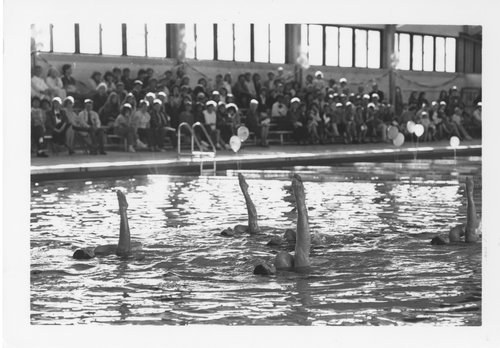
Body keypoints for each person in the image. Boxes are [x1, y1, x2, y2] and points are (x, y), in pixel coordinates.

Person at [253, 174, 311, 275]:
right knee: (298, 259)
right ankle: (300, 200)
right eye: (268, 265)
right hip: (302, 274)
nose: (269, 263)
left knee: (283, 260)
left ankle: (300, 202)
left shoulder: (279, 269)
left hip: (289, 273)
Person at [73, 190, 142, 259]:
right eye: (87, 250)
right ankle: (123, 211)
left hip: (122, 253)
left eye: (86, 249)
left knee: (122, 251)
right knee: (123, 252)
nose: (87, 248)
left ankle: (123, 211)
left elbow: (137, 245)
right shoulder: (98, 253)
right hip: (122, 255)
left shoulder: (97, 250)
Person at [431, 177, 481, 245]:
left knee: (456, 232)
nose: (444, 235)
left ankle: (470, 194)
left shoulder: (453, 235)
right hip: (470, 246)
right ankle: (470, 194)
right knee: (469, 233)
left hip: (463, 243)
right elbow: (470, 229)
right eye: (444, 237)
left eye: (443, 236)